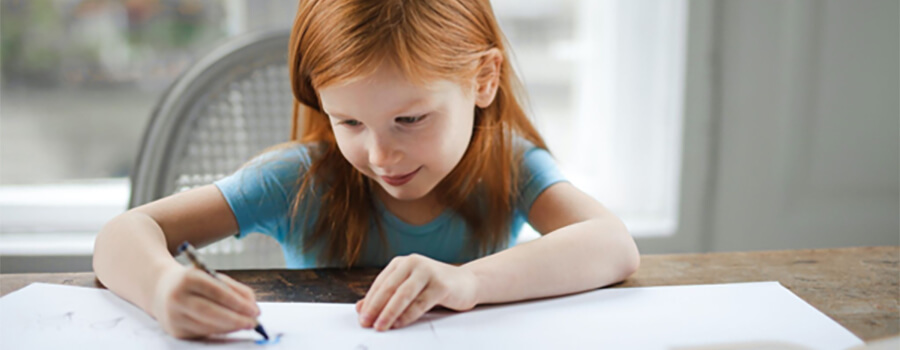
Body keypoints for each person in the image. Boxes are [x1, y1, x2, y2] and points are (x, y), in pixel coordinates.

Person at [93, 0, 640, 340]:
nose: (379, 156)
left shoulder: (508, 163)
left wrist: (467, 280)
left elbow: (613, 244)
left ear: (483, 80)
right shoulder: (297, 180)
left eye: (409, 118)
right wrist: (162, 288)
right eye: (349, 121)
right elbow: (123, 234)